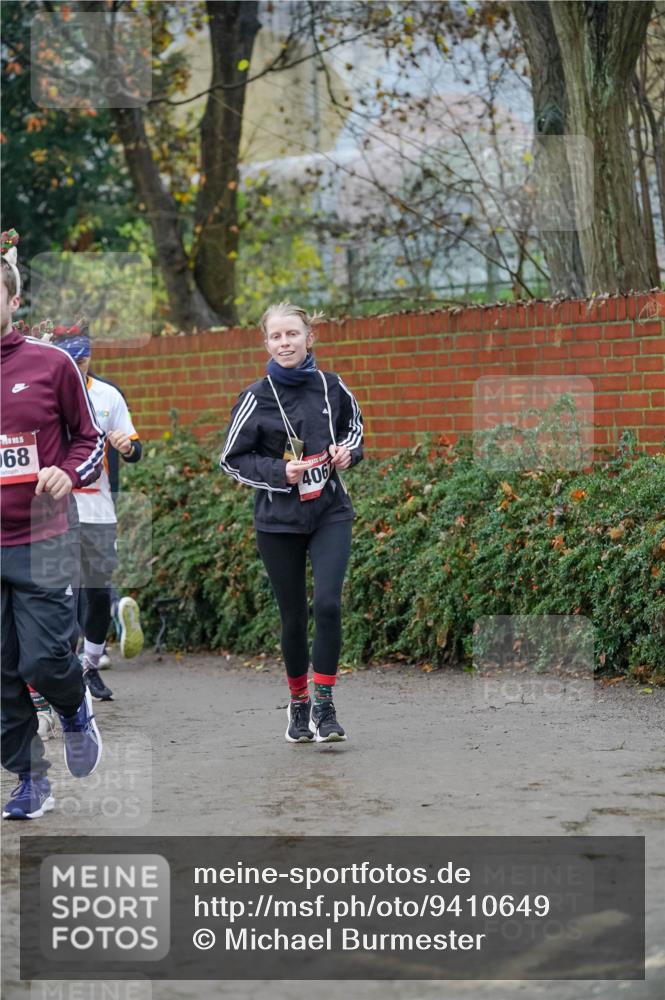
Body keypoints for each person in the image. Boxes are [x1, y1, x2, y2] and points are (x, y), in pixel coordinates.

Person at [220, 302, 363, 744]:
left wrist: (346, 453)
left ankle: (325, 704)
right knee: (294, 616)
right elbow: (232, 459)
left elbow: (355, 431)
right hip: (278, 520)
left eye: (293, 335)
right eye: (277, 337)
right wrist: (279, 473)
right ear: (266, 343)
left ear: (309, 338)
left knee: (328, 604)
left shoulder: (332, 386)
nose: (286, 343)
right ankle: (298, 705)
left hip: (329, 512)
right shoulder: (255, 397)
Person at [1, 230, 105, 819]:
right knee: (1, 676)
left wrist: (67, 472)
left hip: (42, 536)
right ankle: (29, 780)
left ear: (14, 301)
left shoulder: (52, 363)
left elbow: (89, 440)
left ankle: (73, 708)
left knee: (42, 661)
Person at [51, 323, 144, 701]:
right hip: (54, 508)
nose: (79, 363)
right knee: (63, 594)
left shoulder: (109, 395)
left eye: (84, 355)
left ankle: (90, 665)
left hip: (99, 507)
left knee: (97, 592)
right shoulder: (45, 392)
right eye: (71, 356)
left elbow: (136, 449)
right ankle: (64, 674)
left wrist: (126, 447)